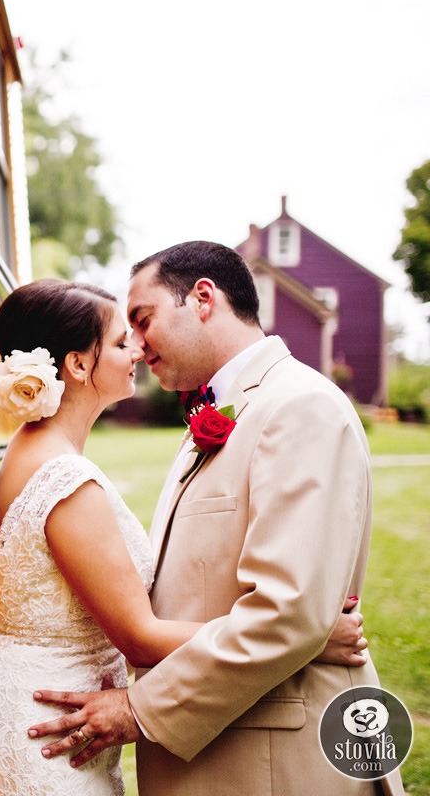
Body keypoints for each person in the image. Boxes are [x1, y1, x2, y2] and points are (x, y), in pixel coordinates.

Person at [25, 242, 404, 795]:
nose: (134, 343)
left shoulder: (299, 407)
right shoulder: (217, 413)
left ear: (202, 298)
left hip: (273, 761)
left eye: (143, 319)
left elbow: (287, 614)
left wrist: (140, 709)